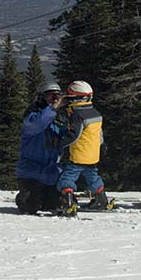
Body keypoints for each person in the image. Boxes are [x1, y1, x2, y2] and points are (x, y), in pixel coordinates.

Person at [56, 80, 109, 211]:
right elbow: (99, 134)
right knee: (92, 176)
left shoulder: (77, 115)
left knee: (67, 178)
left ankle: (67, 201)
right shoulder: (95, 112)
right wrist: (102, 146)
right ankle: (101, 199)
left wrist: (59, 143)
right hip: (93, 155)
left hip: (79, 155)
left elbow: (74, 135)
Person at [15, 82, 66, 215]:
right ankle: (25, 197)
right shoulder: (32, 116)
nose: (54, 99)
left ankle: (48, 198)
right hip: (31, 171)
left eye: (57, 96)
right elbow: (38, 124)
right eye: (50, 96)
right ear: (42, 97)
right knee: (30, 207)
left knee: (57, 205)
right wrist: (53, 108)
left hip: (52, 171)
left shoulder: (60, 117)